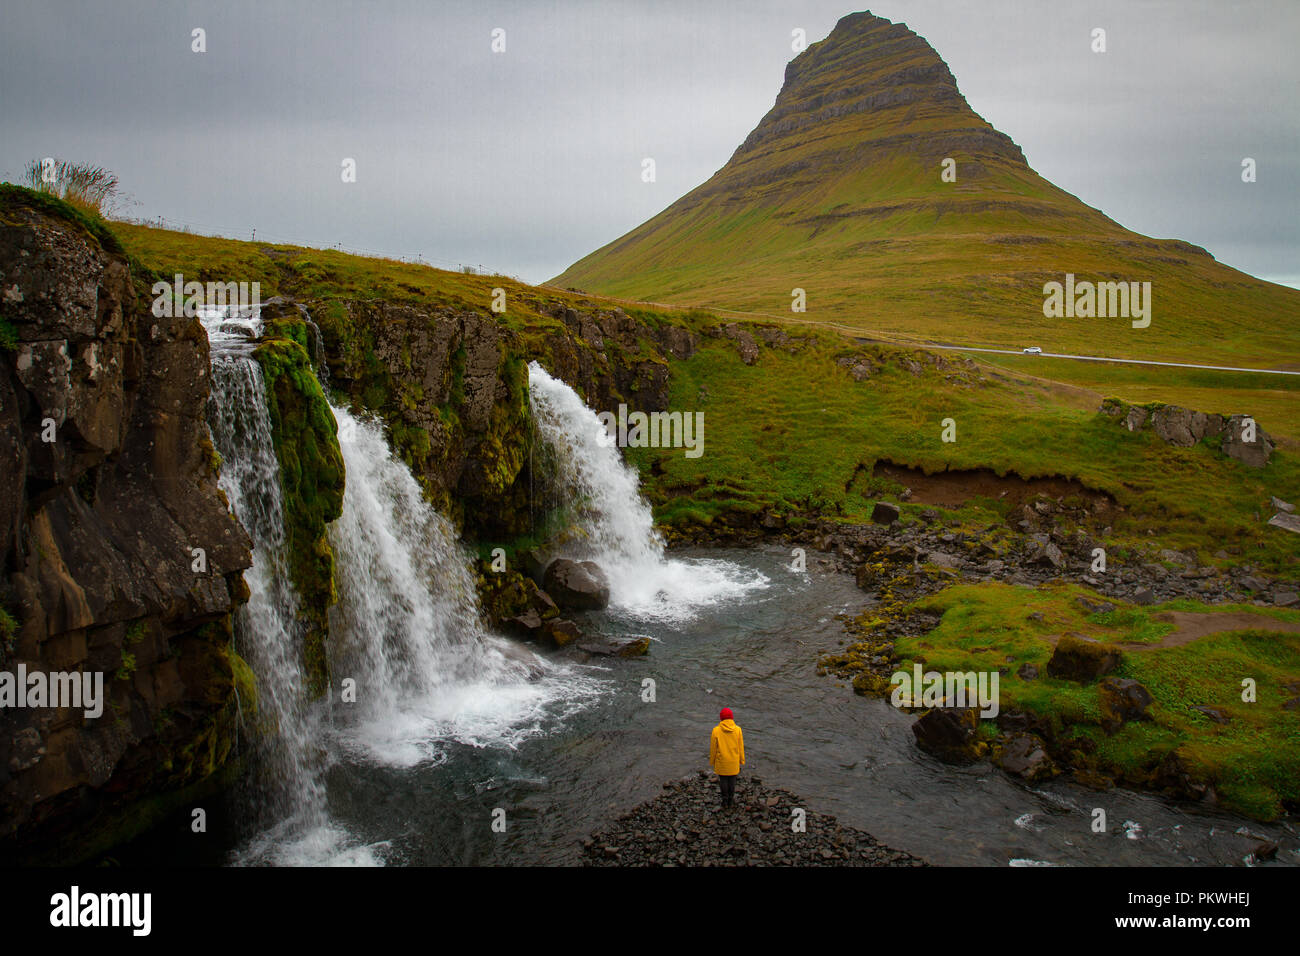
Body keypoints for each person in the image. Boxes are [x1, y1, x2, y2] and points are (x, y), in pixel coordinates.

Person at [709, 707, 745, 808]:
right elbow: (740, 747)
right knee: (732, 781)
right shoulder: (738, 730)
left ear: (721, 718)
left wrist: (712, 761)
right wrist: (742, 760)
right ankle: (731, 800)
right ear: (732, 718)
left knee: (723, 781)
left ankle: (724, 800)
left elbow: (713, 748)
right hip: (733, 761)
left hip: (722, 761)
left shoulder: (716, 730)